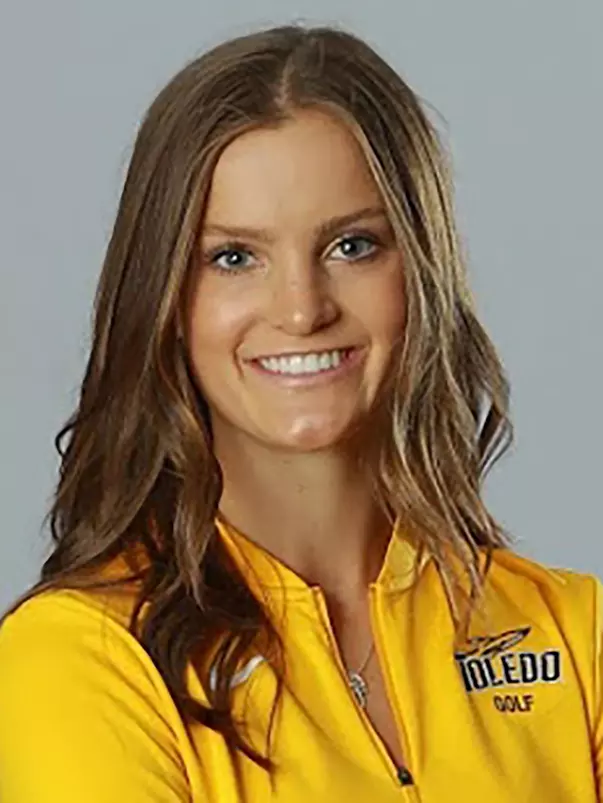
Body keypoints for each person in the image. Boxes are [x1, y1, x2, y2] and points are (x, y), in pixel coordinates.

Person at [0, 22, 600, 803]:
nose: (301, 308)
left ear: (421, 271)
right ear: (166, 299)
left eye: (351, 246)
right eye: (234, 257)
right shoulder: (82, 661)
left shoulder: (573, 635)